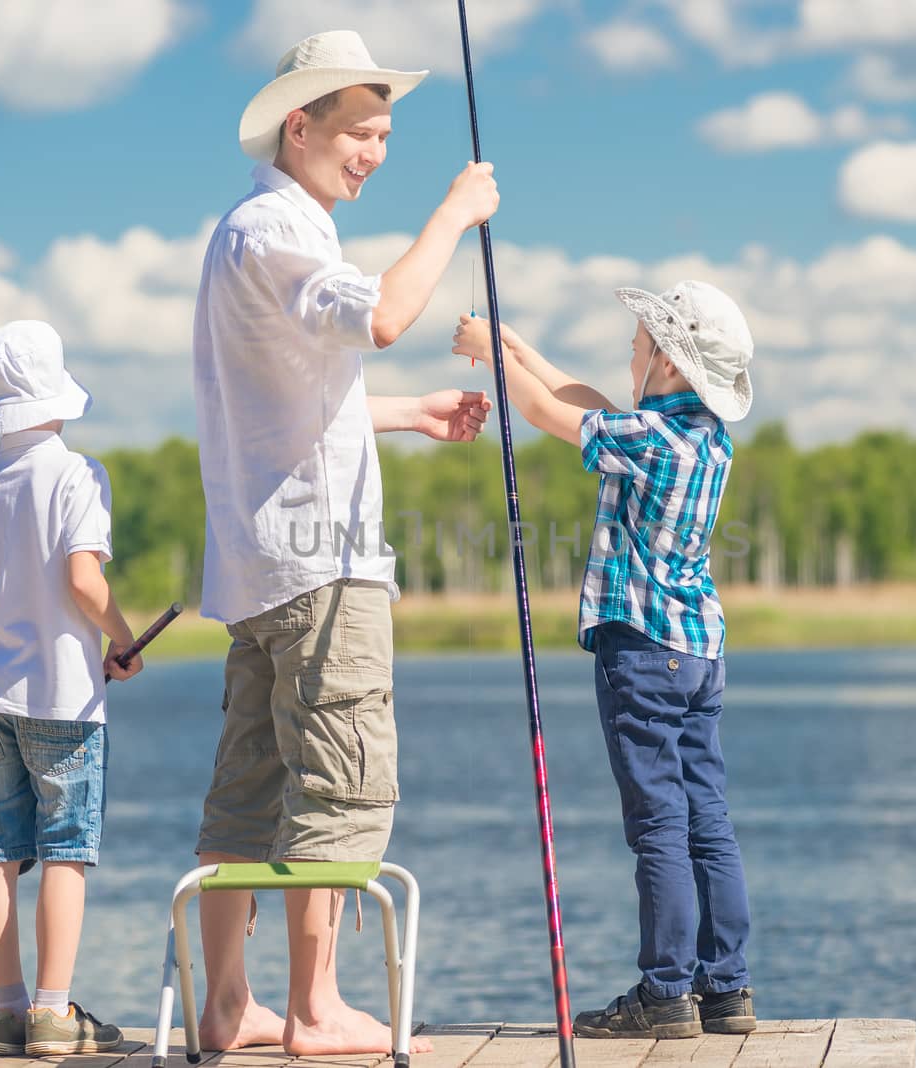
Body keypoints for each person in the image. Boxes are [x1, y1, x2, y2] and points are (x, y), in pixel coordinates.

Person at [191, 29, 497, 1057]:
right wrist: (454, 212)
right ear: (300, 124)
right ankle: (314, 1009)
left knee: (250, 788)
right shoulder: (282, 231)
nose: (372, 151)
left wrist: (412, 415)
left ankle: (229, 1005)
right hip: (323, 568)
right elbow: (382, 319)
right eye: (359, 131)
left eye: (384, 135)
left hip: (261, 568)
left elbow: (301, 404)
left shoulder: (254, 234)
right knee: (342, 783)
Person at [452, 281, 758, 1039]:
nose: (631, 346)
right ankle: (725, 988)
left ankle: (664, 993)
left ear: (670, 364)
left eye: (641, 340)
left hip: (643, 654)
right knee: (706, 821)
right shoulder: (706, 437)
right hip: (699, 653)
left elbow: (550, 414)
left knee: (658, 824)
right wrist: (518, 346)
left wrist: (494, 361)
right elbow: (584, 400)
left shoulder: (648, 439)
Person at [0, 319, 144, 1056]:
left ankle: (7, 1013)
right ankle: (53, 1014)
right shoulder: (77, 473)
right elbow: (82, 581)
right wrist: (123, 638)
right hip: (63, 698)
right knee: (66, 849)